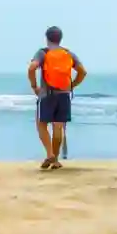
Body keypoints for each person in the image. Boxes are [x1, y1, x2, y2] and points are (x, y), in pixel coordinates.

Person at [27, 26, 87, 170]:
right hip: (64, 95)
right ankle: (55, 159)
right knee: (58, 127)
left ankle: (50, 154)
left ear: (47, 38)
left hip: (47, 94)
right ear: (60, 38)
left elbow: (31, 68)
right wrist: (72, 85)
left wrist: (35, 87)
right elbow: (83, 72)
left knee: (41, 125)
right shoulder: (68, 54)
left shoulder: (43, 53)